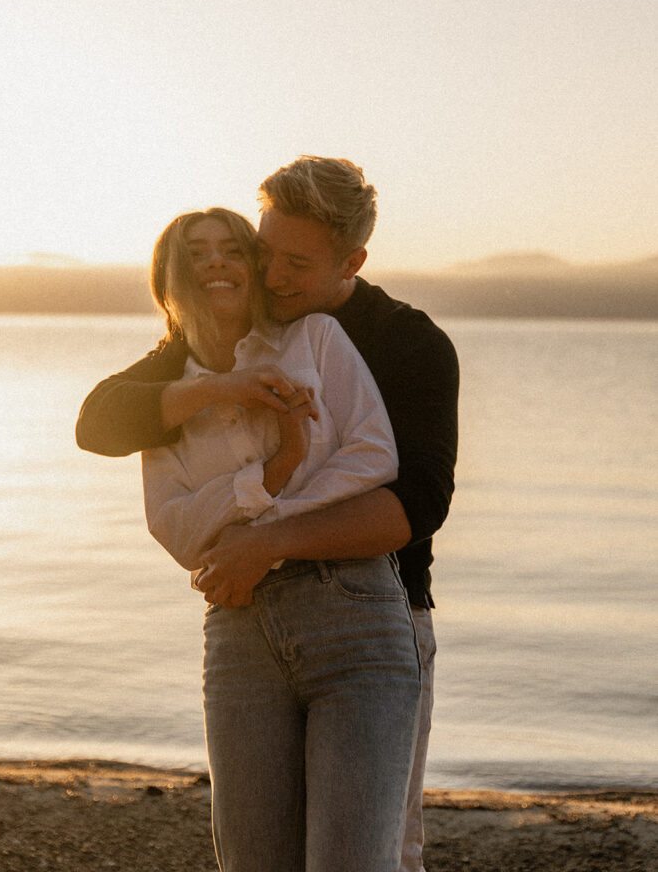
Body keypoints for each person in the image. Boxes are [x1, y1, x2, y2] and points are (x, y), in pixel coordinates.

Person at [76, 156, 459, 872]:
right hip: (246, 620)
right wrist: (217, 393)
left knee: (381, 854)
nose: (273, 275)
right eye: (264, 252)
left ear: (352, 260)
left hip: (380, 611)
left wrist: (262, 536)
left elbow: (415, 502)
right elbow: (100, 424)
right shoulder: (217, 347)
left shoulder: (406, 342)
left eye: (296, 262)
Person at [139, 206, 422, 872]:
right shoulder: (166, 402)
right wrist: (274, 470)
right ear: (169, 278)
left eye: (232, 249)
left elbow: (374, 456)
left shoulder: (314, 341)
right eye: (196, 252)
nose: (216, 262)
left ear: (253, 269)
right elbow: (176, 530)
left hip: (354, 616)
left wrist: (262, 531)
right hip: (239, 630)